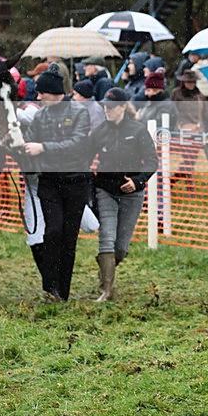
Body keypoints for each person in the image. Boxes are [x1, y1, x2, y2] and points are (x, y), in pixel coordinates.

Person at [21, 63, 91, 302]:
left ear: (54, 92)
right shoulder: (39, 116)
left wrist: (43, 148)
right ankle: (49, 290)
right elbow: (28, 143)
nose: (38, 97)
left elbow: (77, 144)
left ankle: (64, 291)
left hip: (76, 184)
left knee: (68, 239)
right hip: (49, 183)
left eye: (42, 93)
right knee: (52, 232)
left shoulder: (80, 113)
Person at [89, 88, 158, 301]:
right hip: (105, 191)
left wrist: (137, 181)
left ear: (122, 107)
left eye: (110, 107)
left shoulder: (138, 131)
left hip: (132, 194)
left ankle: (106, 266)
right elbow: (84, 157)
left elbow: (152, 161)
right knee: (107, 238)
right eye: (104, 106)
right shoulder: (99, 131)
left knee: (120, 246)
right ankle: (106, 291)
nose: (106, 110)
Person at [170, 68, 206, 189]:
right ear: (184, 82)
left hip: (197, 132)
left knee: (191, 159)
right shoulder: (176, 93)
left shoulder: (200, 96)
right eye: (188, 81)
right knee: (188, 158)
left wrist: (202, 126)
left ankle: (172, 181)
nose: (190, 84)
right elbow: (172, 112)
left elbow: (206, 115)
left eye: (192, 81)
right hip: (182, 131)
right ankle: (189, 185)